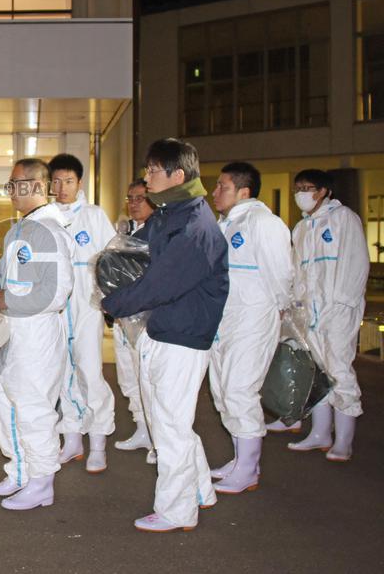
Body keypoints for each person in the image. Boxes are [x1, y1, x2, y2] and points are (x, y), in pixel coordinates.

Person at [101, 138, 228, 533]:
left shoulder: (194, 225)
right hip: (164, 328)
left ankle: (177, 510)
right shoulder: (170, 214)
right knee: (168, 421)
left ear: (177, 175)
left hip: (182, 335)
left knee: (169, 427)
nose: (146, 177)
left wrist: (113, 303)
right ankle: (201, 490)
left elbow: (160, 283)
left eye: (153, 170)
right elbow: (137, 258)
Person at [0, 158, 74, 511]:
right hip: (11, 332)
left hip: (35, 334)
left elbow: (56, 292)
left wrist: (7, 298)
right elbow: (9, 277)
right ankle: (19, 470)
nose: (10, 191)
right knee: (4, 402)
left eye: (15, 183)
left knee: (34, 408)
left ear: (38, 185)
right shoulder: (19, 229)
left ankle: (42, 482)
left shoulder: (48, 231)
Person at [207, 162, 292, 494]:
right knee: (223, 391)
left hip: (253, 319)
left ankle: (249, 469)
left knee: (241, 390)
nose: (215, 192)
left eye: (222, 187)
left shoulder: (263, 223)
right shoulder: (225, 224)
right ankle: (240, 457)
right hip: (225, 320)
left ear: (243, 191)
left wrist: (280, 314)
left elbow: (281, 276)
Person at [273, 169, 369, 462]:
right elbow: (297, 271)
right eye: (298, 187)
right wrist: (293, 304)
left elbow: (357, 263)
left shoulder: (344, 220)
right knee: (315, 374)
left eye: (308, 187)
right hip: (309, 313)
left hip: (338, 311)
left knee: (339, 370)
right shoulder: (301, 229)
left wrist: (342, 304)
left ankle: (343, 441)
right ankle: (320, 433)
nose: (302, 193)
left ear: (325, 191)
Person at [48, 153, 116, 473]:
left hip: (87, 305)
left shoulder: (94, 216)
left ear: (80, 183)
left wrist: (108, 299)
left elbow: (111, 260)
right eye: (57, 181)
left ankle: (99, 442)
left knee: (90, 371)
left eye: (69, 181)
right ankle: (72, 438)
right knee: (62, 373)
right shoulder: (45, 217)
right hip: (57, 309)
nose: (62, 187)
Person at [112, 179, 156, 457]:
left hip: (147, 318)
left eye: (141, 197)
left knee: (148, 378)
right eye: (130, 198)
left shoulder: (160, 231)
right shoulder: (127, 231)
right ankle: (142, 428)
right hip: (124, 315)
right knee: (128, 376)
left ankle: (157, 436)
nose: (134, 203)